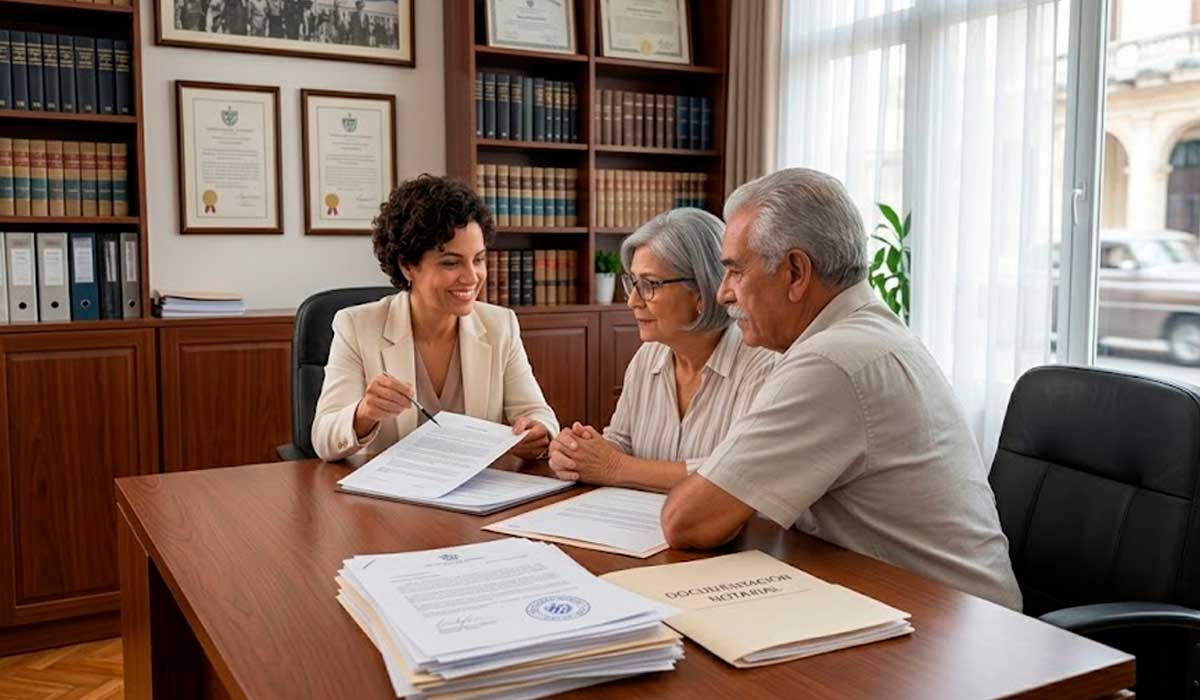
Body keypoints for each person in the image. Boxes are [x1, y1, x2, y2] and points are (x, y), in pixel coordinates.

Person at [659, 168, 1023, 610]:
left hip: (959, 635)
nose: (722, 294)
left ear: (796, 272)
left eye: (735, 271)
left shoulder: (831, 361)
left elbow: (688, 523)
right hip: (918, 604)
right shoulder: (862, 331)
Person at [311, 174, 559, 464]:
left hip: (474, 498)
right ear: (407, 266)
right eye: (451, 263)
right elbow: (323, 438)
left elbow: (539, 414)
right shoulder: (357, 326)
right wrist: (365, 412)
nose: (471, 277)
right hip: (387, 502)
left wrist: (538, 433)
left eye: (478, 259)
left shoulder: (499, 325)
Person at [547, 209, 775, 491]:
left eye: (650, 284)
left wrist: (615, 468)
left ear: (703, 291)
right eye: (632, 282)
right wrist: (577, 453)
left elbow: (736, 475)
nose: (632, 300)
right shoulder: (648, 357)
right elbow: (620, 444)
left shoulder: (762, 364)